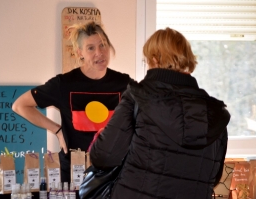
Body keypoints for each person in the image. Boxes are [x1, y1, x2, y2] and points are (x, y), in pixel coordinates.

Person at [89, 27, 231, 199]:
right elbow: (214, 176)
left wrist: (100, 139)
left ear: (155, 60)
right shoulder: (215, 114)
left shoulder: (138, 98)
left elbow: (104, 157)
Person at [11, 21, 131, 197]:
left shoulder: (123, 83)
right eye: (90, 48)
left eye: (103, 45)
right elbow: (20, 105)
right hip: (74, 175)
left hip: (112, 175)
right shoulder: (64, 84)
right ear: (79, 53)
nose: (99, 53)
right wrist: (57, 130)